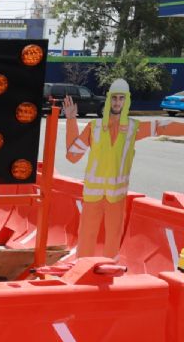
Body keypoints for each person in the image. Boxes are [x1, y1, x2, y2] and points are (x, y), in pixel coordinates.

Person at [63, 78, 184, 262]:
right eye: (114, 98)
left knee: (112, 242)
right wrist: (71, 119)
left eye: (121, 98)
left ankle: (109, 277)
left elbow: (162, 127)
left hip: (116, 198)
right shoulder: (93, 127)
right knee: (86, 239)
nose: (117, 102)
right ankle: (81, 275)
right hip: (92, 196)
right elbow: (72, 156)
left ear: (126, 100)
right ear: (109, 99)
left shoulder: (133, 128)